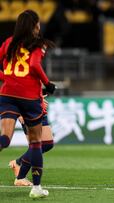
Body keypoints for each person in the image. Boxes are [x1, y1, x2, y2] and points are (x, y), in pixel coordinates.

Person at [0, 10, 56, 199]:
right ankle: (34, 185)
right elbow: (33, 65)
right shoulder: (37, 45)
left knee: (5, 139)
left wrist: (8, 78)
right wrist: (48, 84)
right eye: (38, 24)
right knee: (37, 143)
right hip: (29, 99)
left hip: (11, 95)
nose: (39, 27)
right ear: (34, 25)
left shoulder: (8, 42)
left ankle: (18, 165)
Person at [9, 97, 54, 187]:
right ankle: (20, 177)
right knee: (40, 145)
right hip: (27, 110)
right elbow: (15, 91)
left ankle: (18, 163)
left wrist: (39, 98)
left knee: (46, 144)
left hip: (38, 108)